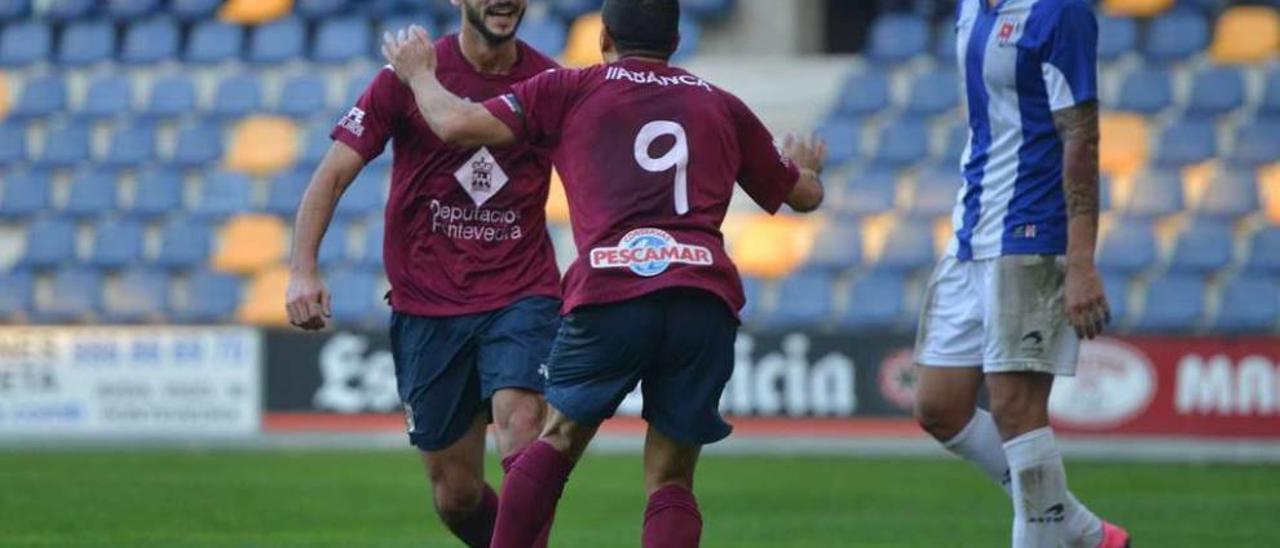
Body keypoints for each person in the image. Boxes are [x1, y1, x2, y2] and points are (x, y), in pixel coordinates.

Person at [381, 0, 826, 545]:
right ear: (677, 41)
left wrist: (421, 75)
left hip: (612, 291)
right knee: (671, 479)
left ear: (604, 37)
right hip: (701, 297)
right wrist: (806, 169)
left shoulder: (571, 87)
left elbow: (453, 123)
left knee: (556, 444)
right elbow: (804, 196)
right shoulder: (721, 105)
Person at [284, 1, 562, 546]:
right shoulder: (406, 76)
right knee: (456, 495)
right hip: (429, 307)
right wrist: (302, 270)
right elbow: (334, 173)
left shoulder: (551, 81)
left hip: (521, 292)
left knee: (523, 432)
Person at [912, 0, 1130, 546]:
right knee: (939, 406)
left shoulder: (1059, 12)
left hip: (1033, 232)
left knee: (1015, 409)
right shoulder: (971, 7)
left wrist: (1080, 260)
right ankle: (1080, 529)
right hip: (971, 230)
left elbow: (1082, 137)